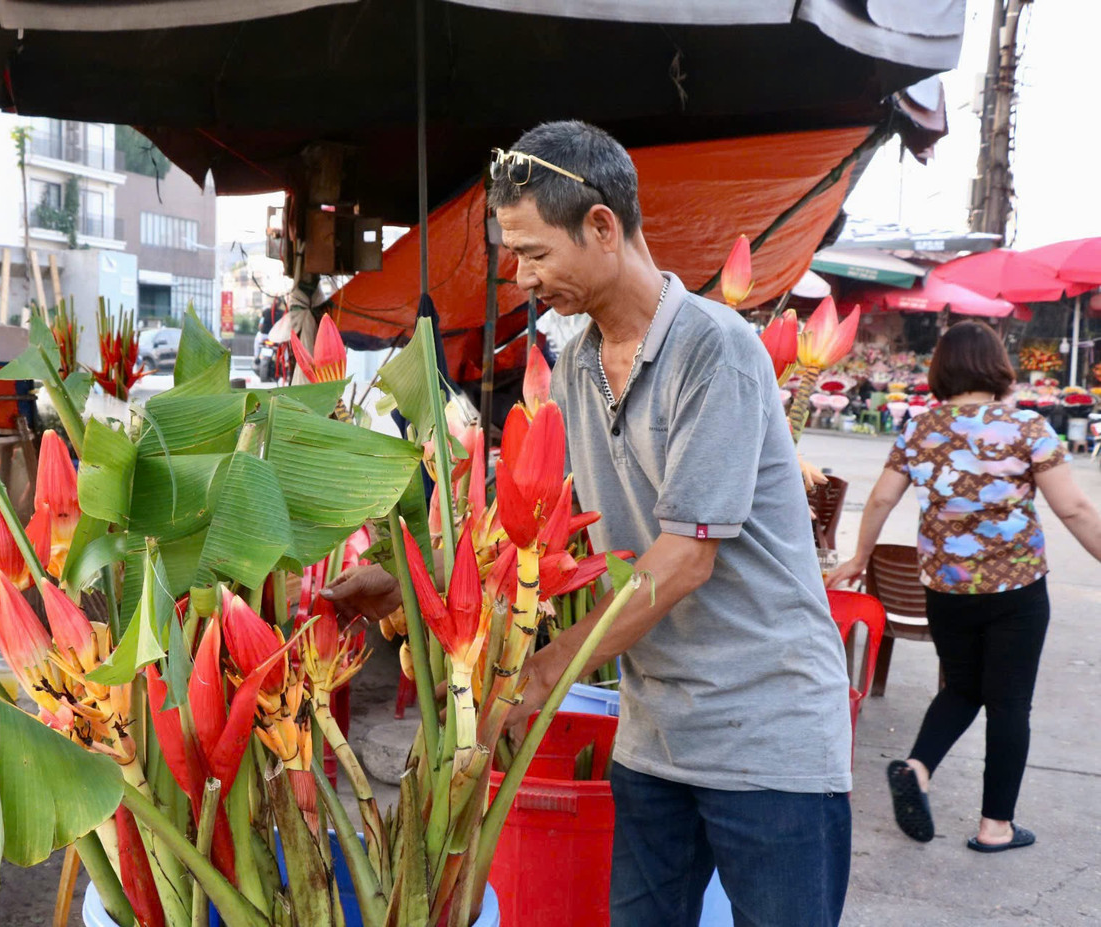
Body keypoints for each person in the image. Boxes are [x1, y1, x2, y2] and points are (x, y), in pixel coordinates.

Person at [324, 121, 853, 926]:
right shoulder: (575, 364)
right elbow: (526, 518)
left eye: (534, 253)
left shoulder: (717, 349)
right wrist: (409, 584)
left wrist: (538, 674)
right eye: (513, 256)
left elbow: (685, 558)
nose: (521, 278)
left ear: (602, 226)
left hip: (767, 734)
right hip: (655, 733)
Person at [827, 321, 1101, 853]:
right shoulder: (1027, 428)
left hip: (945, 590)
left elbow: (881, 498)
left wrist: (861, 555)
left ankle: (918, 766)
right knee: (1009, 704)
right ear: (996, 365)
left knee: (961, 688)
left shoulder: (920, 428)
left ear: (942, 369)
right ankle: (995, 826)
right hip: (1016, 590)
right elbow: (1073, 507)